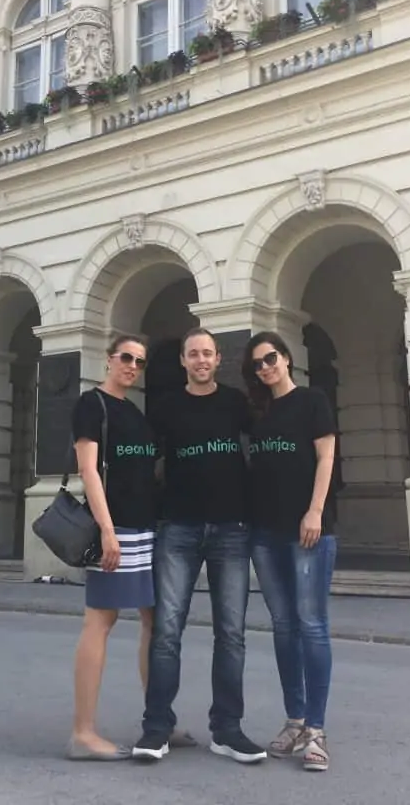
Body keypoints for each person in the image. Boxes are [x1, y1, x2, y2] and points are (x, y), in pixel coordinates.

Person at [133, 328, 266, 765]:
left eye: (208, 353)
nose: (201, 360)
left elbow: (268, 440)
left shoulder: (235, 403)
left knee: (232, 635)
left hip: (232, 529)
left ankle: (227, 730)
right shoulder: (166, 407)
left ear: (217, 358)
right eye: (194, 354)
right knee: (167, 632)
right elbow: (141, 458)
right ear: (184, 362)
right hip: (179, 530)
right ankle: (156, 729)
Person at [242, 331, 337, 773]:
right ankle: (294, 720)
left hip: (307, 530)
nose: (266, 367)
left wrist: (314, 511)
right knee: (283, 626)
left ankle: (316, 730)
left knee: (312, 624)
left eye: (271, 358)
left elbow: (325, 458)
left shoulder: (312, 400)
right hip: (265, 532)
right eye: (258, 364)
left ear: (287, 358)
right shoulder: (259, 413)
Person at [67, 334, 159, 762]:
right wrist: (107, 529)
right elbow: (89, 470)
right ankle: (83, 732)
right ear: (109, 360)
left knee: (154, 622)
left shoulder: (134, 412)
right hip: (116, 528)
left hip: (145, 529)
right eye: (126, 358)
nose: (132, 367)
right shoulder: (93, 405)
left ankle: (158, 719)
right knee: (100, 622)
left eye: (139, 362)